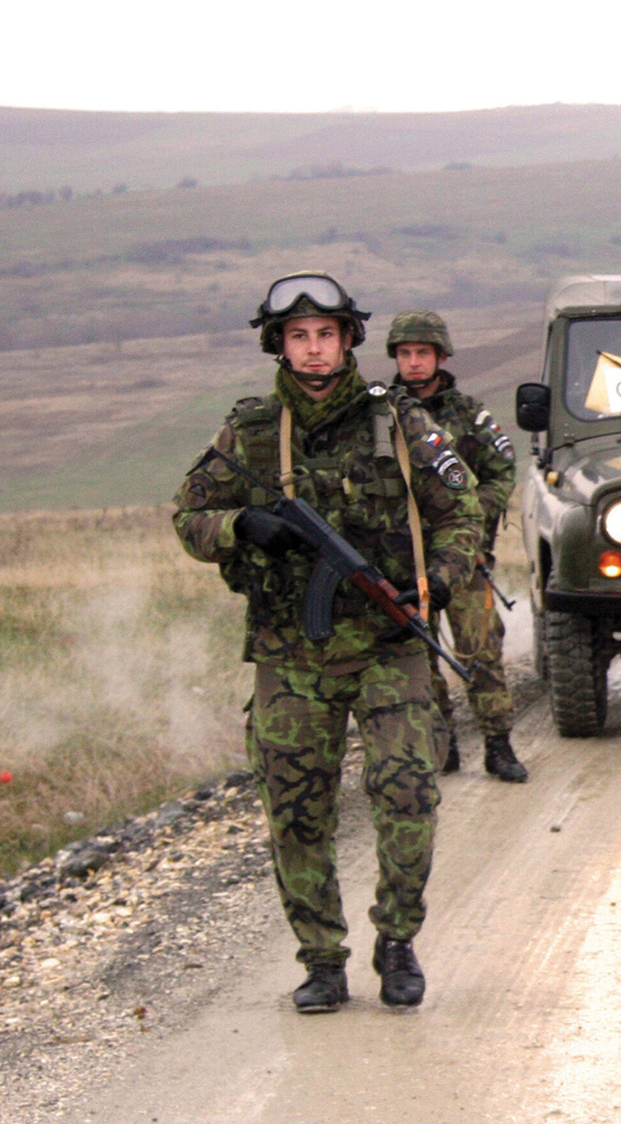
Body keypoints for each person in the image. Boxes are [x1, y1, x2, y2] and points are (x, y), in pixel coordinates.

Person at [173, 273, 483, 1013]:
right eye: (298, 337)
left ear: (348, 340)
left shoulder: (401, 425)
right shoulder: (249, 431)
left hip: (388, 645)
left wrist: (434, 581)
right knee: (296, 809)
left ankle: (398, 939)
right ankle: (321, 959)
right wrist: (240, 527)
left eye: (326, 335)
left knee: (408, 792)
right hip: (290, 654)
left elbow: (463, 510)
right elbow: (189, 516)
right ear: (278, 344)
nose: (313, 351)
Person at [385, 309, 527, 783]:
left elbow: (502, 472)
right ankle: (441, 744)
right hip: (403, 560)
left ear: (440, 356)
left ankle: (498, 744)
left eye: (422, 353)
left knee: (481, 651)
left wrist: (466, 514)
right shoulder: (379, 413)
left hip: (464, 558)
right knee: (418, 659)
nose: (414, 363)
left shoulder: (468, 412)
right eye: (405, 354)